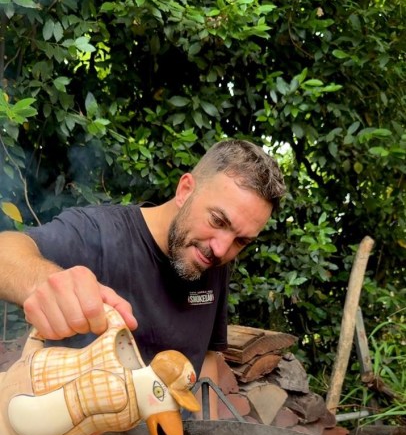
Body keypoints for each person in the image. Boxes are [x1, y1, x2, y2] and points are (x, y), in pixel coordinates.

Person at [0, 139, 285, 418]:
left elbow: (207, 357)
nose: (222, 249)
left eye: (241, 241)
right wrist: (42, 281)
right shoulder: (98, 232)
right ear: (185, 190)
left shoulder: (212, 261)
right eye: (218, 221)